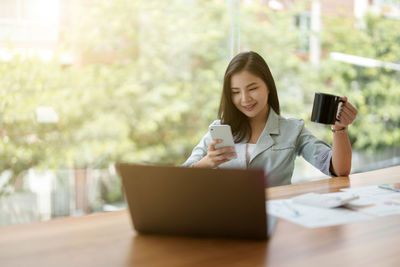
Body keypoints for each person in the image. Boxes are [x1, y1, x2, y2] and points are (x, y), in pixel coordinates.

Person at [182, 51, 358, 187]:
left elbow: (338, 169)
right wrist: (207, 163)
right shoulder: (220, 131)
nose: (244, 99)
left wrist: (340, 129)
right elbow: (179, 179)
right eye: (235, 92)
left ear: (268, 87)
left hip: (277, 220)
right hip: (228, 220)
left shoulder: (292, 130)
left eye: (252, 88)